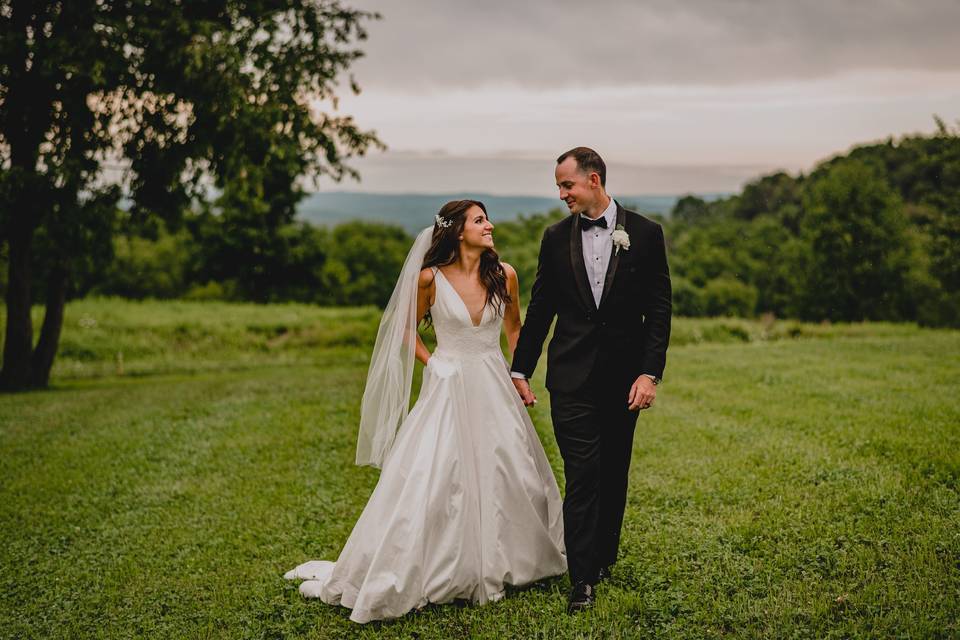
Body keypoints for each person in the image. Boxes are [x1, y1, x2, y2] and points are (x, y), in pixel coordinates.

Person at [285, 199, 566, 624]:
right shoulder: (428, 279)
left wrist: (519, 373)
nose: (489, 225)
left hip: (493, 382)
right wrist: (432, 362)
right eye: (478, 220)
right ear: (456, 231)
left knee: (508, 466)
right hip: (448, 383)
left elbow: (514, 328)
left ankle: (513, 559)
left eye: (486, 218)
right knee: (436, 473)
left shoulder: (504, 275)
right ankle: (440, 564)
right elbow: (404, 328)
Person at [510, 147, 672, 613]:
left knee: (613, 472)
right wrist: (519, 368)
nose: (562, 195)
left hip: (625, 380)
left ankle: (601, 557)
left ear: (594, 180)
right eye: (560, 187)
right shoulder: (555, 237)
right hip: (570, 378)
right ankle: (581, 579)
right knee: (582, 474)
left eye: (567, 186)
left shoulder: (645, 233)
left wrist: (649, 373)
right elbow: (540, 309)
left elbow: (658, 310)